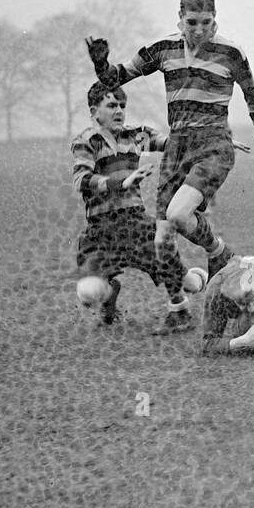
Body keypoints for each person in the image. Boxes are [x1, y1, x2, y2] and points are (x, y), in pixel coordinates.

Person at [85, 0, 254, 284]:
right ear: (180, 18)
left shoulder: (231, 53)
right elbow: (117, 77)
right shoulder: (162, 49)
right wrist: (101, 64)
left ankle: (219, 253)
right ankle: (178, 310)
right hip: (177, 147)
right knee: (162, 239)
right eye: (192, 22)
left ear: (214, 18)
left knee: (179, 215)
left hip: (214, 145)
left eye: (206, 22)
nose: (198, 30)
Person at [70, 82, 207, 333]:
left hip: (134, 221)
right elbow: (82, 180)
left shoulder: (136, 136)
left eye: (122, 105)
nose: (119, 110)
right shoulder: (87, 142)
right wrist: (121, 182)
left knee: (186, 281)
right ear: (94, 111)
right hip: (100, 230)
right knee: (88, 292)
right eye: (111, 105)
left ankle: (186, 300)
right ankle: (109, 298)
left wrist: (213, 142)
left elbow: (173, 144)